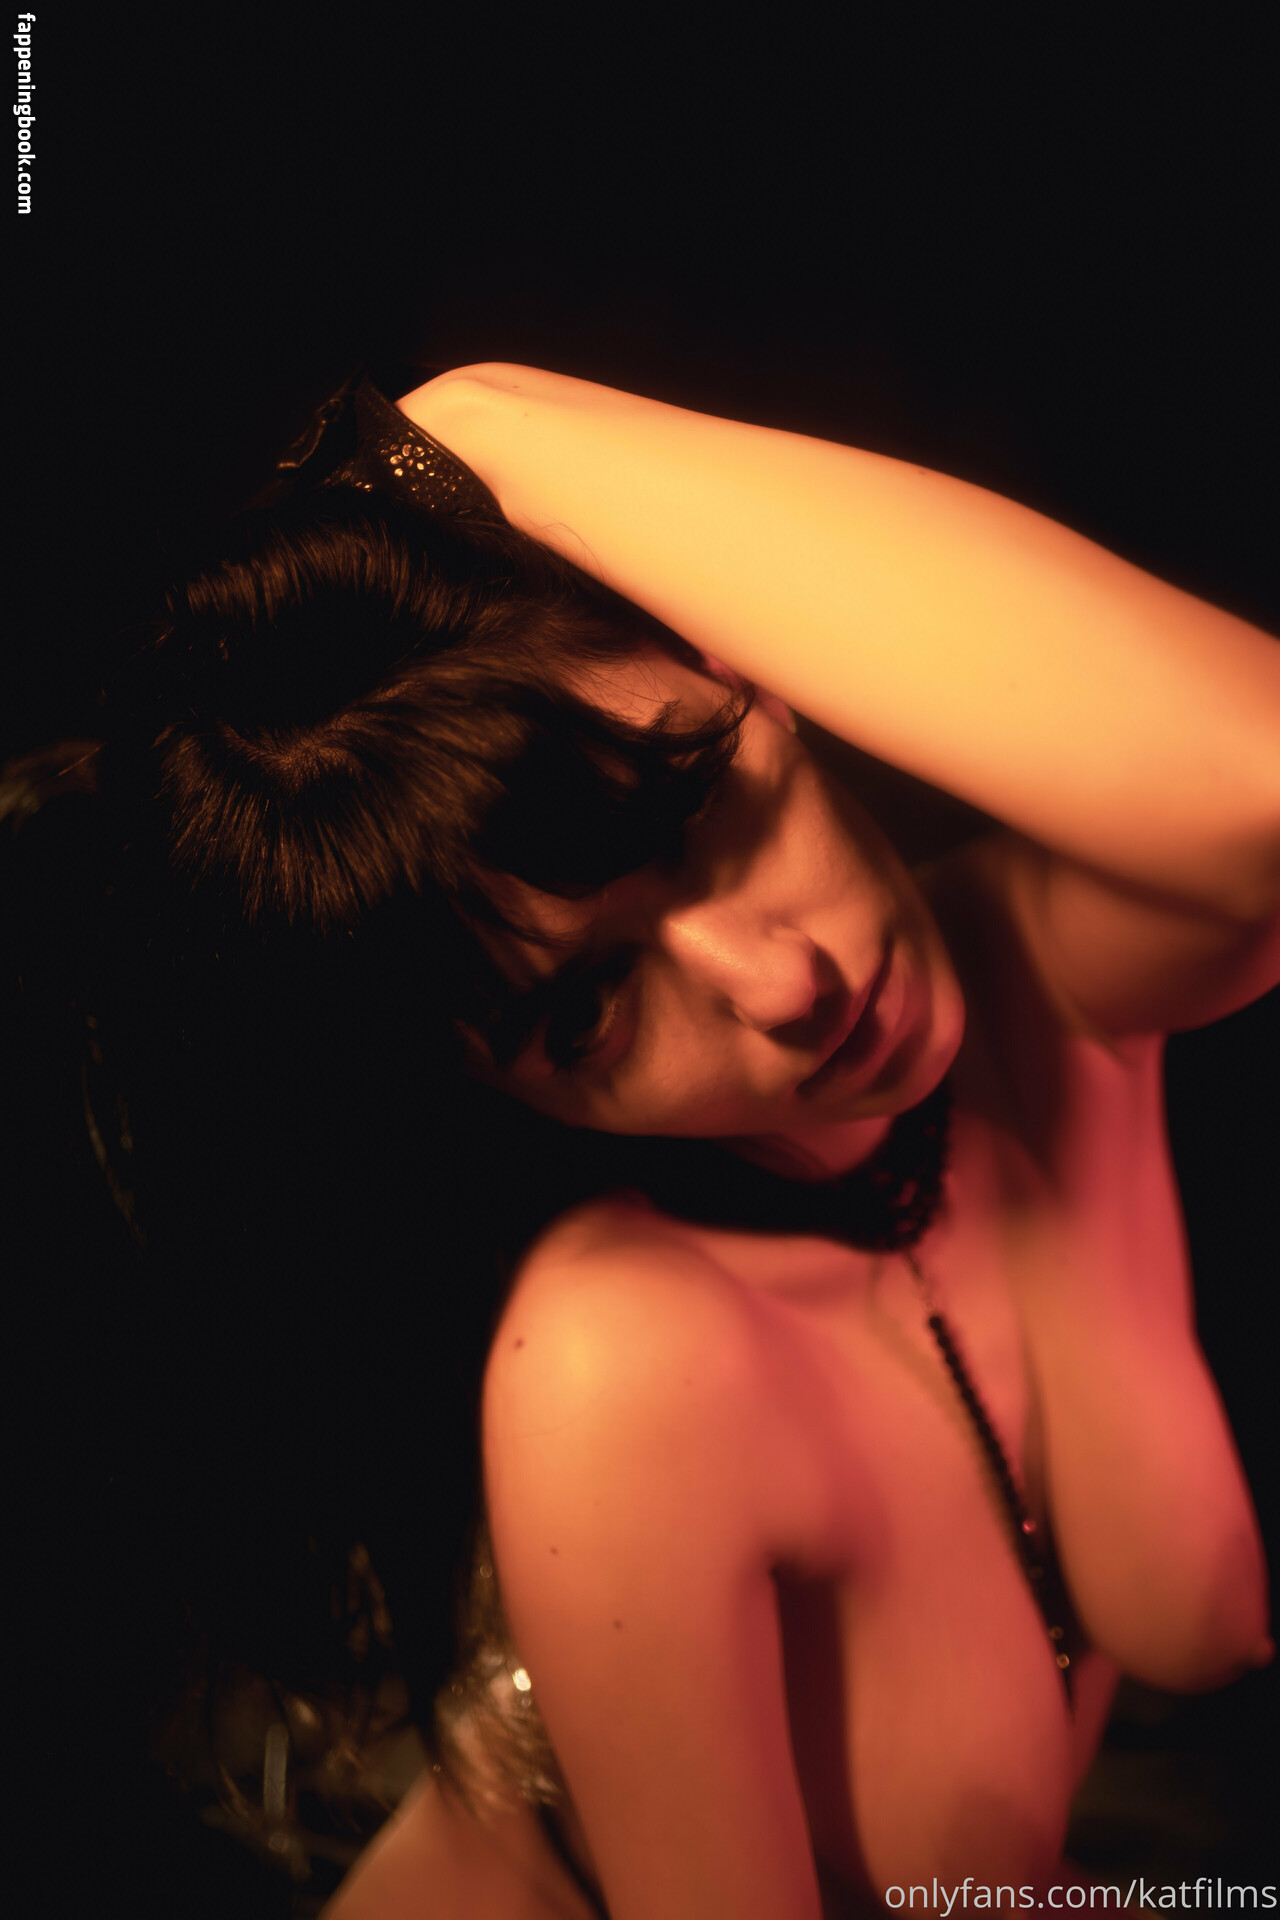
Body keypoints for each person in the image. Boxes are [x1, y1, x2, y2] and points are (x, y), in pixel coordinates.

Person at [11, 360, 1277, 1918]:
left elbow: (1259, 788)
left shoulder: (1032, 988)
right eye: (591, 1011)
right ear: (503, 1089)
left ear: (742, 659)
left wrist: (483, 429)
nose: (786, 985)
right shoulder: (624, 1360)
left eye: (704, 802)